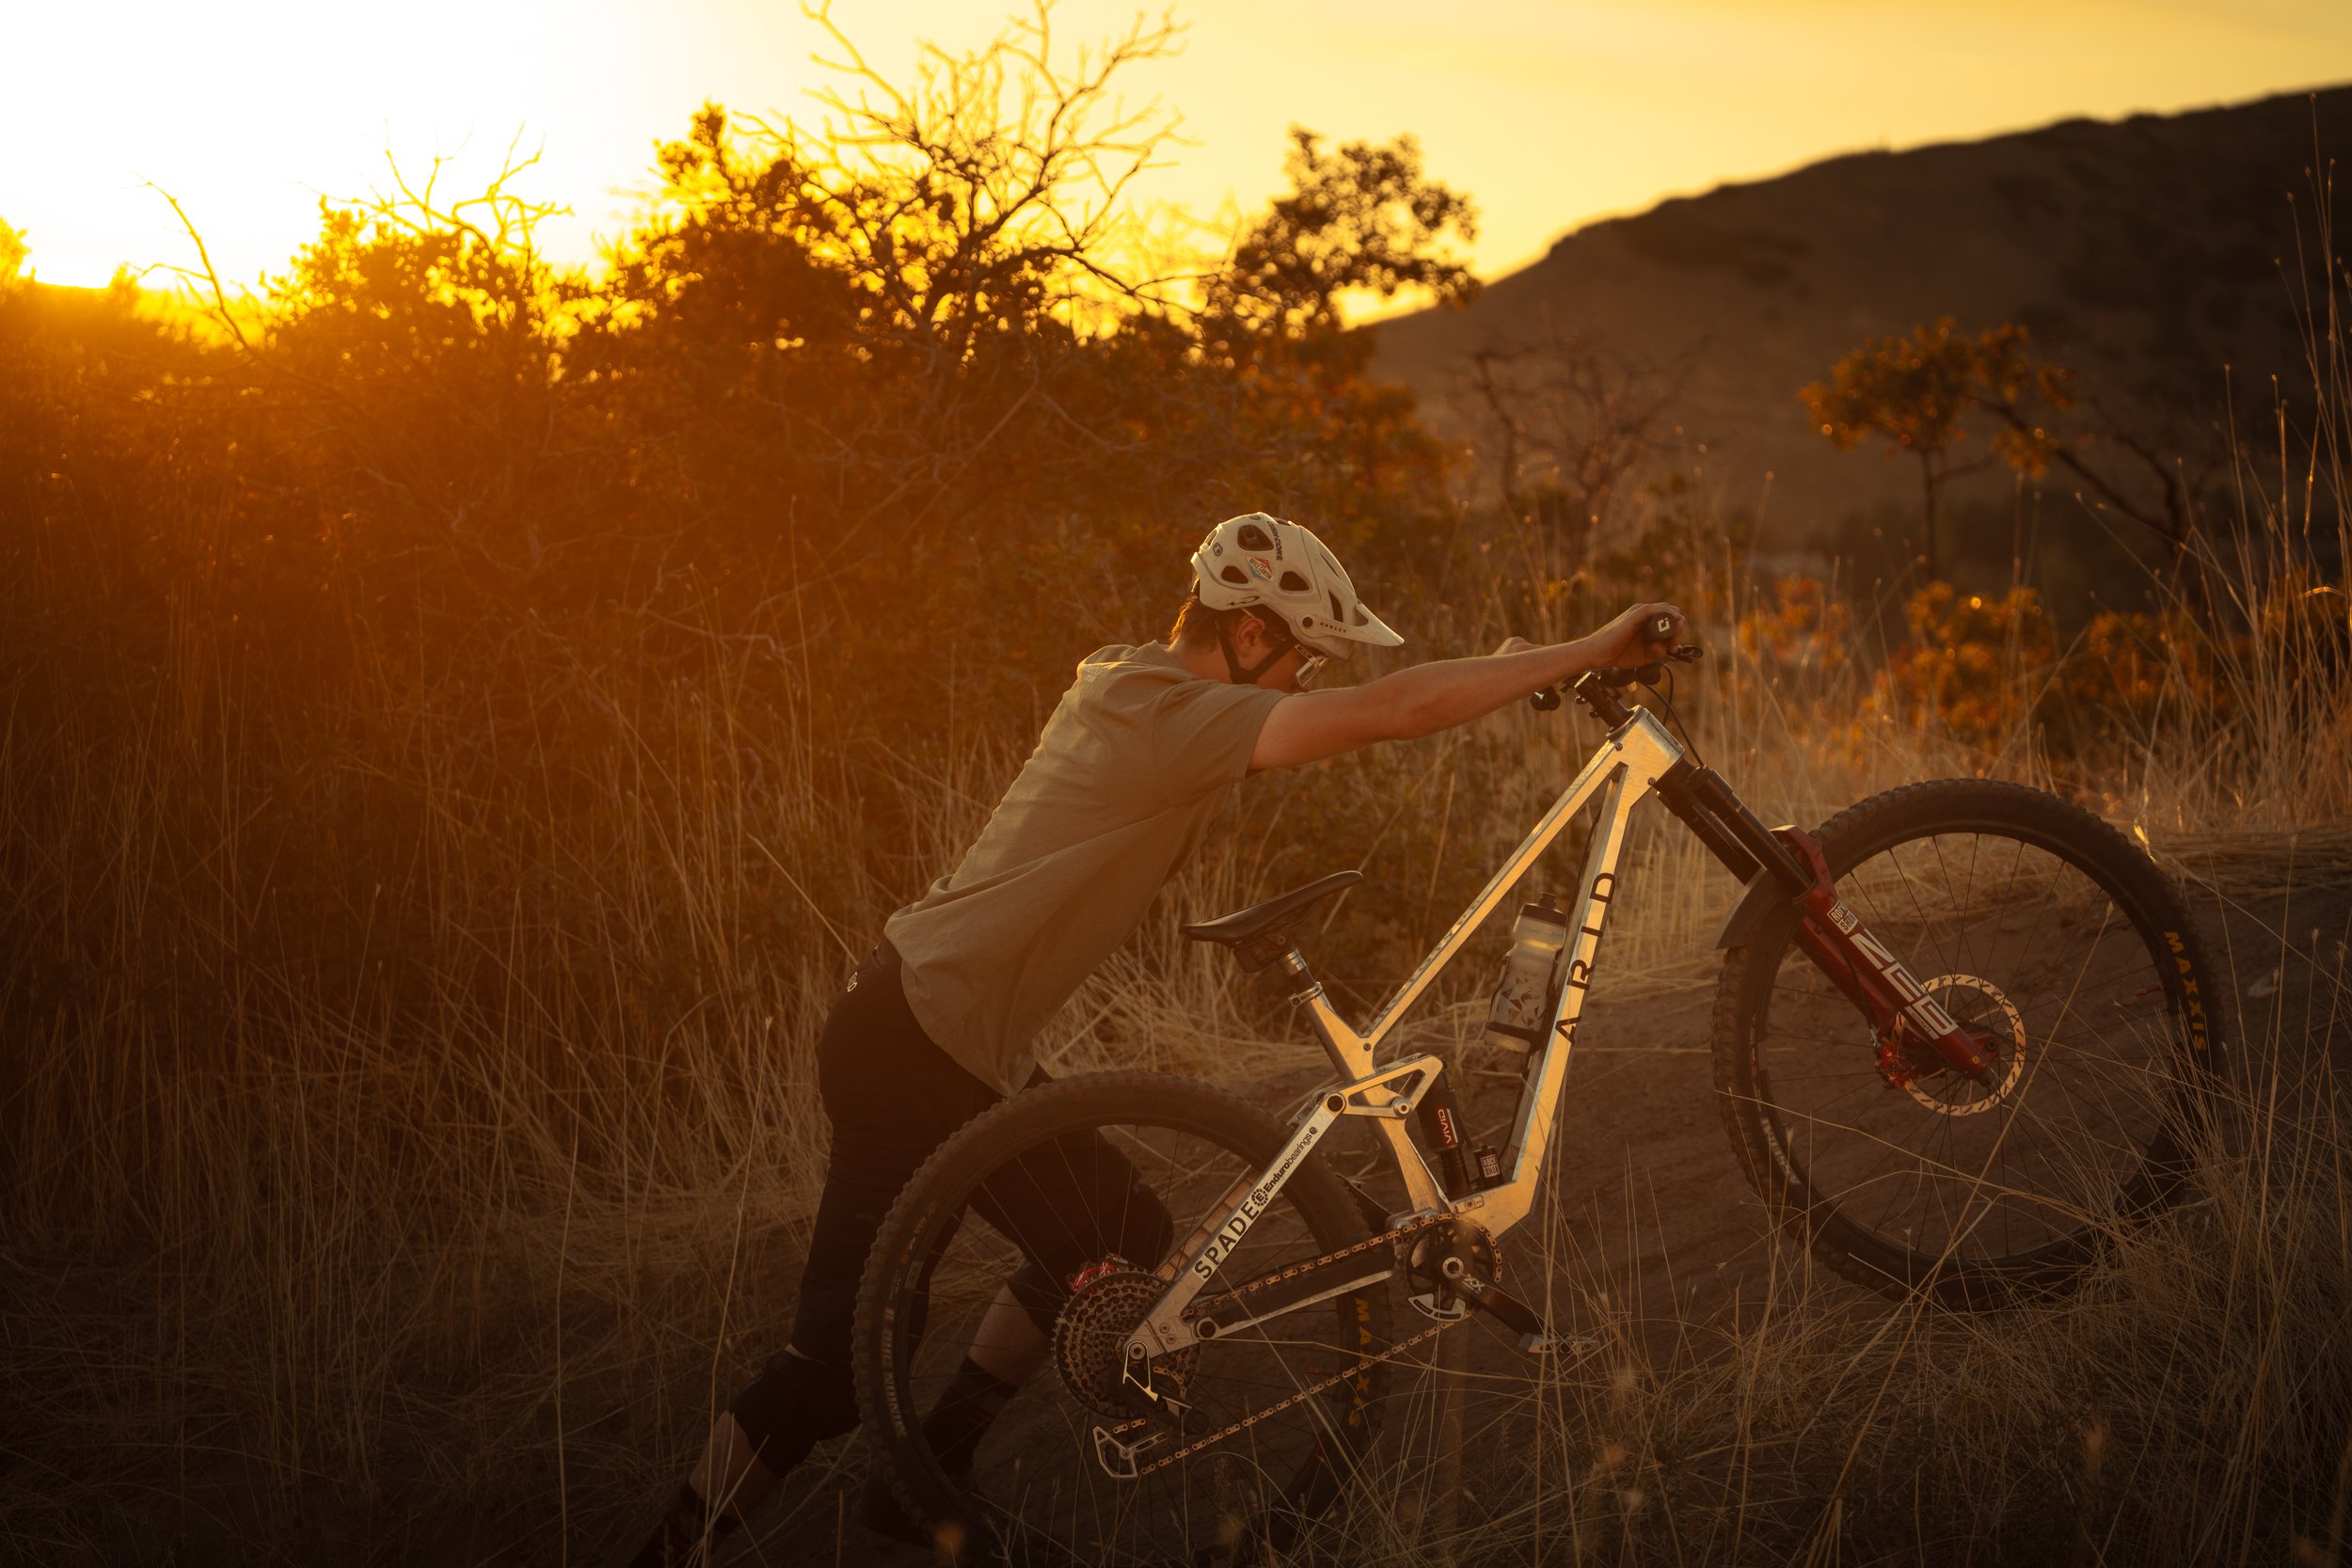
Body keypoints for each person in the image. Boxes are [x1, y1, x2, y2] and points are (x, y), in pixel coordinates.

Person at [627, 513, 1681, 1565]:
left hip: (955, 1042)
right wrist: (1592, 644)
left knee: (1116, 1226)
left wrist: (1516, 668)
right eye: (1302, 660)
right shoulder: (1167, 713)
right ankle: (671, 1550)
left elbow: (1401, 697)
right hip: (910, 1043)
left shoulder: (1142, 686)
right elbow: (1394, 707)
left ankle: (927, 1470)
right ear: (1253, 635)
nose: (1305, 687)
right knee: (835, 1364)